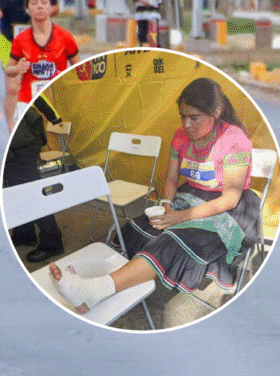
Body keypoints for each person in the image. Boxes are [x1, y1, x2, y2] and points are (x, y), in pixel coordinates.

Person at [48, 77, 260, 315]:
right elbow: (170, 179)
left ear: (216, 112)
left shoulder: (235, 140)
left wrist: (180, 218)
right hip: (190, 195)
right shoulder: (180, 136)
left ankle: (99, 288)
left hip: (229, 207)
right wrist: (168, 205)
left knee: (172, 239)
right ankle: (105, 289)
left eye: (194, 117)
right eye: (183, 116)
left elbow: (230, 199)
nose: (187, 124)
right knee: (144, 226)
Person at [4, 0, 78, 132]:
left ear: (51, 8)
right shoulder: (20, 40)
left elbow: (79, 69)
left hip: (57, 101)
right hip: (27, 103)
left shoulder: (65, 37)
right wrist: (17, 68)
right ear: (28, 8)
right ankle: (12, 125)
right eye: (34, 3)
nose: (39, 6)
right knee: (11, 88)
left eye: (44, 3)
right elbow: (9, 70)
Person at [4, 104, 64, 263]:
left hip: (19, 141)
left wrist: (54, 117)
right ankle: (25, 233)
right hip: (20, 135)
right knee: (15, 191)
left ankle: (52, 241)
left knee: (30, 193)